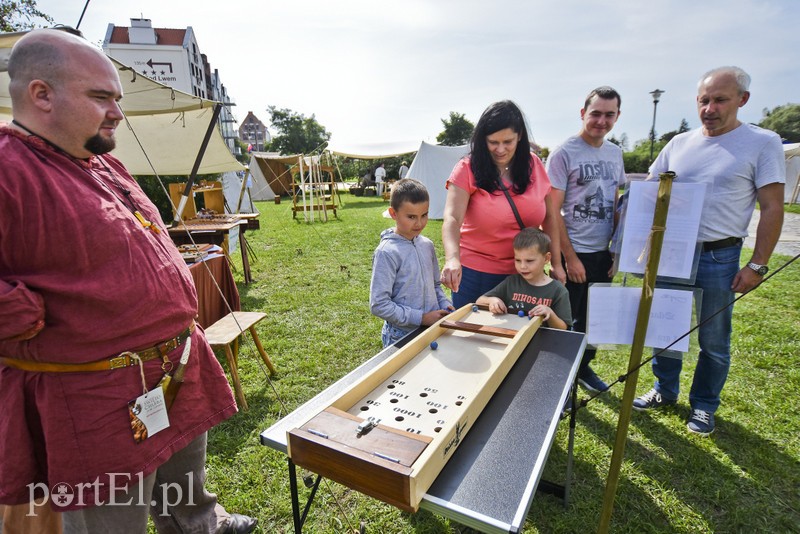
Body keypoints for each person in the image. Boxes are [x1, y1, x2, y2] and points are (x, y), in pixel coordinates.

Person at [0, 29, 257, 533]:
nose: (117, 111)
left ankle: (199, 525)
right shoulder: (8, 169)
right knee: (110, 522)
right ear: (41, 94)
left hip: (173, 370)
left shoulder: (105, 162)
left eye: (116, 98)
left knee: (185, 488)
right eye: (101, 97)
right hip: (93, 397)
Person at [633, 66, 785, 436]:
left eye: (720, 100)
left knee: (713, 338)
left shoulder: (763, 142)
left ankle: (703, 406)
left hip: (720, 255)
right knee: (665, 328)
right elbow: (650, 192)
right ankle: (664, 389)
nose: (709, 108)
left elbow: (773, 207)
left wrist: (758, 265)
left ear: (742, 100)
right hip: (672, 253)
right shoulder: (678, 144)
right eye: (704, 100)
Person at [441, 100, 565, 308]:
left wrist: (557, 263)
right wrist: (452, 259)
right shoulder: (467, 168)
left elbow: (550, 217)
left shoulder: (534, 164)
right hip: (476, 275)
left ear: (520, 137)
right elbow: (452, 218)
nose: (500, 149)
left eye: (508, 142)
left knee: (521, 336)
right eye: (493, 142)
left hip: (525, 274)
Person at [546, 86, 626, 394]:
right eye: (595, 113)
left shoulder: (615, 153)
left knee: (595, 322)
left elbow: (615, 201)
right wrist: (568, 258)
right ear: (583, 113)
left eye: (609, 115)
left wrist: (616, 252)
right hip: (574, 251)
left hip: (602, 254)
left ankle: (582, 368)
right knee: (566, 323)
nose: (601, 121)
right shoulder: (564, 153)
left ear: (617, 116)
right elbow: (552, 211)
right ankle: (558, 383)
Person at [370, 179, 454, 347]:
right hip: (401, 336)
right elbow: (379, 304)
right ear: (393, 214)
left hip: (431, 329)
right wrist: (420, 318)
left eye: (424, 215)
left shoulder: (427, 245)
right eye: (411, 217)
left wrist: (445, 305)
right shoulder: (386, 252)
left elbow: (435, 285)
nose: (419, 223)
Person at [477, 228, 572, 330]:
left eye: (529, 261)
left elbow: (563, 328)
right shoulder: (511, 282)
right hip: (511, 337)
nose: (522, 266)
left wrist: (550, 313)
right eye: (518, 260)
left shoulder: (558, 291)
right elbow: (479, 301)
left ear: (546, 258)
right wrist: (493, 300)